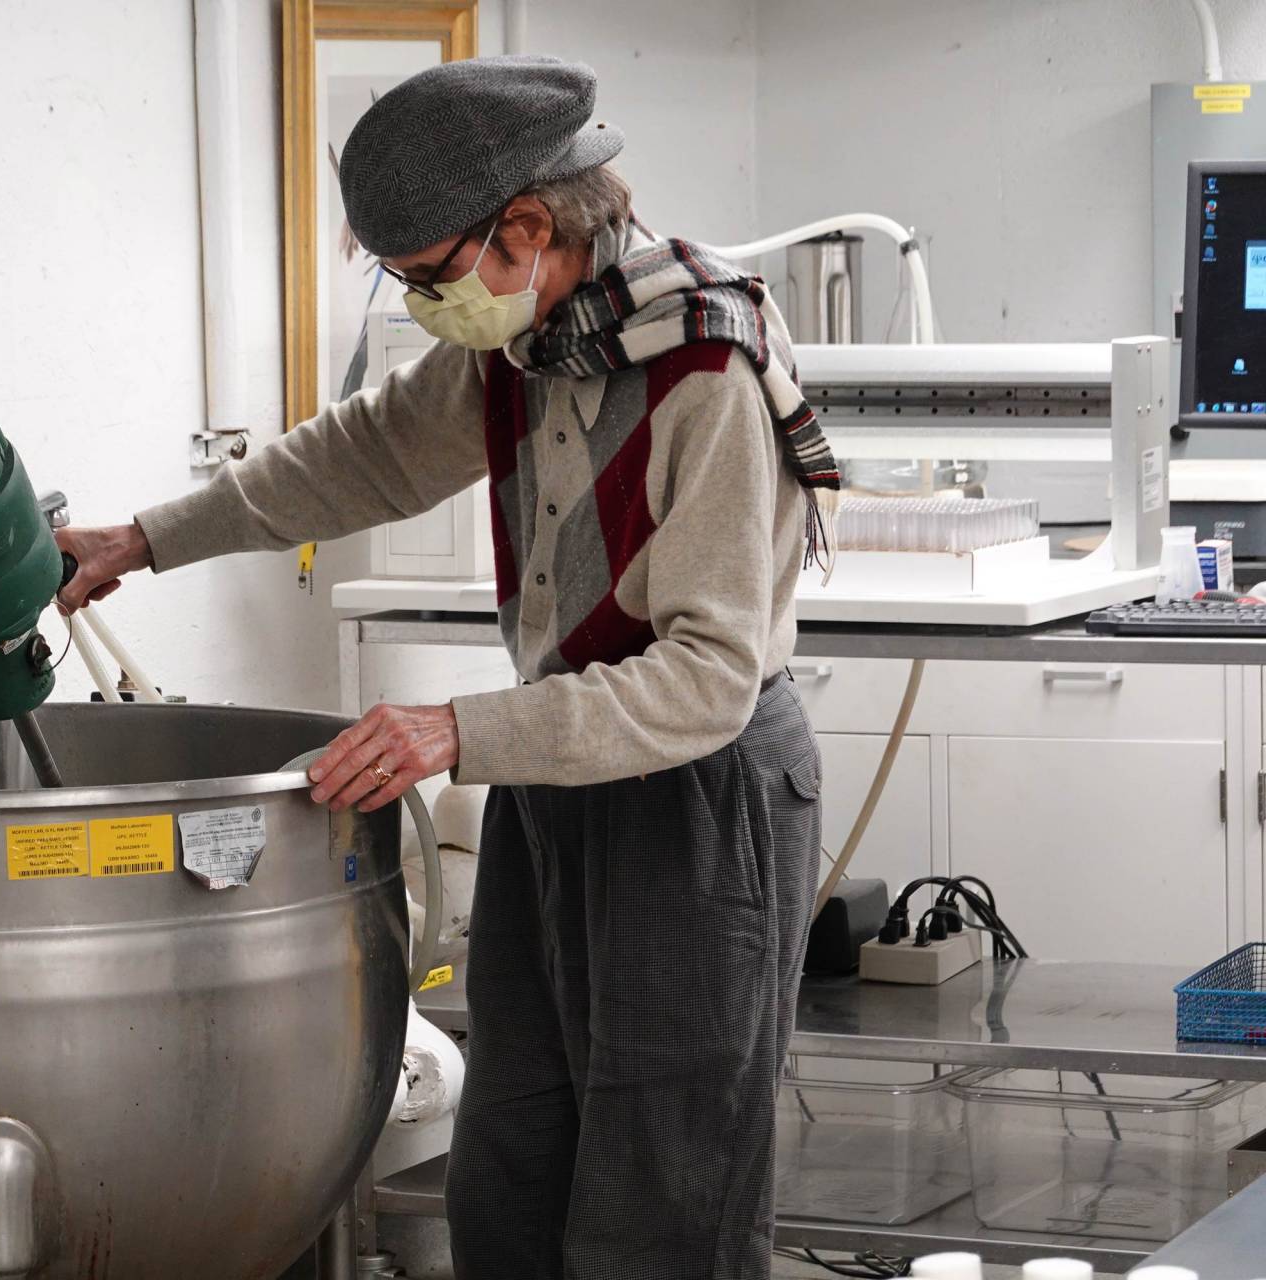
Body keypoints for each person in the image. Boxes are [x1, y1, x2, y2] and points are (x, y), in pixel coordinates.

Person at [57, 53, 828, 1280]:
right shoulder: (526, 340)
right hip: (560, 777)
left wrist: (456, 730)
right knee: (514, 1160)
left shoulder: (705, 367)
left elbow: (702, 679)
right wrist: (146, 539)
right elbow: (357, 457)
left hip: (699, 796)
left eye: (424, 277)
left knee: (663, 1190)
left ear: (527, 228)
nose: (421, 307)